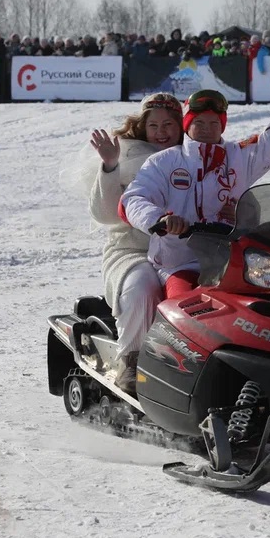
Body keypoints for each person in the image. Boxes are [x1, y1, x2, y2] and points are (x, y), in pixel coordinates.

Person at [120, 48, 270, 301]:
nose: (206, 129)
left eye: (214, 123)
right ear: (186, 125)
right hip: (179, 265)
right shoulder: (164, 161)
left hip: (231, 261)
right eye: (198, 123)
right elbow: (131, 200)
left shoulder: (239, 157)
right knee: (182, 308)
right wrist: (160, 220)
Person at [85, 93, 184, 395]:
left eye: (169, 124)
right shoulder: (127, 156)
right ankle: (131, 361)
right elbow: (104, 213)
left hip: (187, 251)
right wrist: (110, 166)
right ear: (142, 127)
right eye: (154, 125)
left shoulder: (196, 157)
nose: (161, 132)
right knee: (143, 287)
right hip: (132, 250)